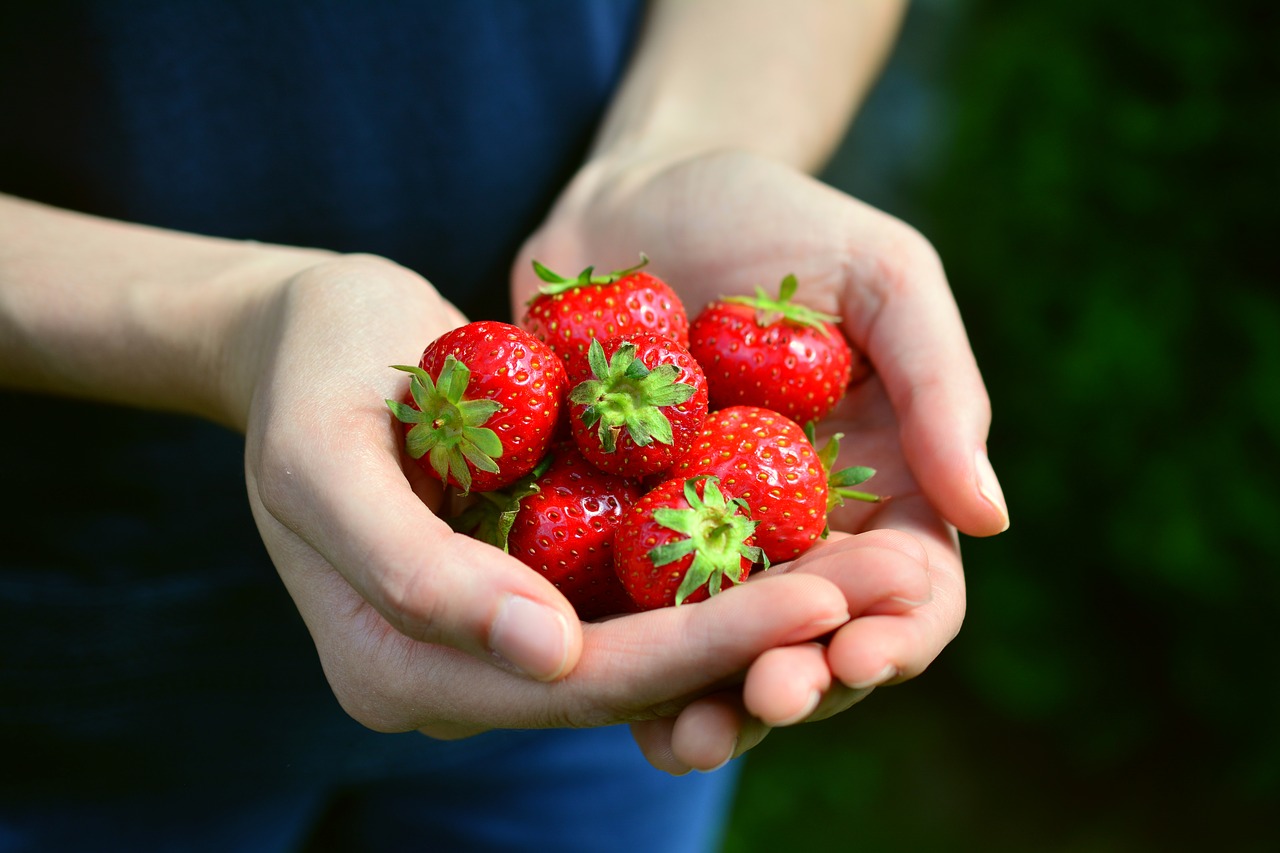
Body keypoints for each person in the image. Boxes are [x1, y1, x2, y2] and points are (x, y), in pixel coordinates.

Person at [0, 1, 1007, 850]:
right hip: (74, 660)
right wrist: (235, 324)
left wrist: (684, 142)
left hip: (590, 646)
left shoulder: (632, 501)